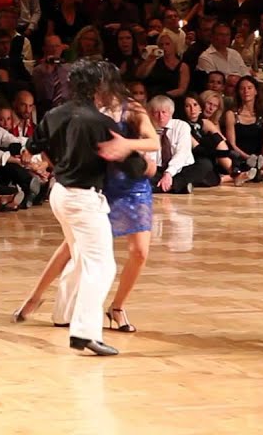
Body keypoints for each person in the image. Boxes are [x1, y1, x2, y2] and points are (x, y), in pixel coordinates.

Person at [18, 59, 153, 356]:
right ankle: (84, 332)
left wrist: (46, 164)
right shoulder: (99, 123)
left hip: (59, 194)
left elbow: (31, 146)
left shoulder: (55, 114)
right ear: (97, 87)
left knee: (79, 255)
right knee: (101, 266)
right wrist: (142, 162)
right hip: (83, 200)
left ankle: (63, 315)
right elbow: (135, 166)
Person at [149, 96, 217, 192]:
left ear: (171, 113)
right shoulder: (147, 129)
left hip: (180, 167)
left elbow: (182, 153)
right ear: (151, 114)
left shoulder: (181, 126)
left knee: (205, 164)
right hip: (157, 169)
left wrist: (169, 173)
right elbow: (148, 156)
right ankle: (179, 187)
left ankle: (169, 186)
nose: (161, 116)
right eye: (156, 113)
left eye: (164, 112)